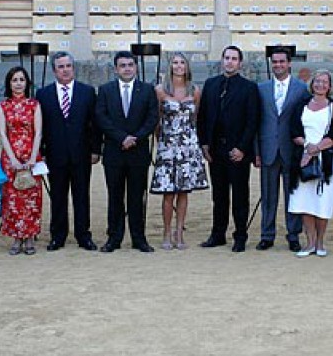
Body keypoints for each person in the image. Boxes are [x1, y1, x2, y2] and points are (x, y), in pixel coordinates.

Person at [197, 45, 260, 252]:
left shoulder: (249, 87)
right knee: (219, 195)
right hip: (216, 150)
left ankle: (240, 235)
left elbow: (252, 122)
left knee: (240, 195)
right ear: (222, 60)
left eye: (234, 58)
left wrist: (242, 148)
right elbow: (203, 116)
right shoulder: (211, 84)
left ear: (240, 63)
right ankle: (218, 234)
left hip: (238, 152)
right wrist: (205, 144)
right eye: (226, 58)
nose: (230, 62)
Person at [36, 52, 100, 252]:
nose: (65, 70)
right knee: (58, 197)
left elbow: (94, 124)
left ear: (74, 68)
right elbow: (41, 127)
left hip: (81, 153)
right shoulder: (43, 94)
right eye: (61, 67)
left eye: (68, 66)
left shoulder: (87, 92)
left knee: (82, 196)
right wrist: (42, 151)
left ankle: (83, 235)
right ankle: (58, 235)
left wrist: (96, 150)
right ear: (54, 71)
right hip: (55, 155)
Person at [96, 50, 159, 253]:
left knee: (136, 197)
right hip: (114, 152)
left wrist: (136, 138)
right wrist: (122, 137)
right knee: (115, 197)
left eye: (130, 65)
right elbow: (102, 118)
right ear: (116, 69)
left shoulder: (147, 90)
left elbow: (152, 118)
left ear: (136, 67)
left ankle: (139, 238)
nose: (127, 68)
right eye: (122, 65)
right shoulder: (105, 90)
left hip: (138, 153)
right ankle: (113, 238)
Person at [149, 53, 208, 250]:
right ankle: (166, 232)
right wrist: (162, 143)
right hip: (167, 146)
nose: (179, 66)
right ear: (170, 66)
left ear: (187, 66)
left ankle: (179, 232)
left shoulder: (195, 90)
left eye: (182, 62)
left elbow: (196, 118)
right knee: (168, 194)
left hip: (189, 146)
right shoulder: (159, 90)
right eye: (175, 62)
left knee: (184, 192)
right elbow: (156, 120)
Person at [254, 47, 308, 252]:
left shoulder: (301, 88)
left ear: (289, 63)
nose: (278, 65)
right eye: (274, 62)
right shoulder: (261, 88)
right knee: (268, 196)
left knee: (292, 194)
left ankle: (293, 235)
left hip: (291, 150)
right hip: (268, 148)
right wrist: (257, 151)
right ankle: (267, 235)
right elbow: (256, 122)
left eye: (281, 62)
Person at [288, 69, 333, 257]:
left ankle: (320, 242)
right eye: (317, 81)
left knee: (322, 200)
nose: (320, 84)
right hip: (302, 159)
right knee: (305, 201)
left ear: (329, 85)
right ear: (312, 84)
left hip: (324, 160)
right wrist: (307, 147)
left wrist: (316, 149)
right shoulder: (301, 105)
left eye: (324, 82)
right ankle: (309, 242)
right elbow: (294, 131)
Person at [0, 67, 43, 256]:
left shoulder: (34, 104)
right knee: (13, 200)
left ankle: (30, 237)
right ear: (9, 83)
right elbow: (2, 133)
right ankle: (16, 237)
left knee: (32, 199)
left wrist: (33, 157)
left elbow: (38, 131)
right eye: (14, 80)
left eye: (21, 80)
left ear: (27, 83)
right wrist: (12, 158)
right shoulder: (4, 106)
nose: (18, 83)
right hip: (11, 158)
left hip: (31, 155)